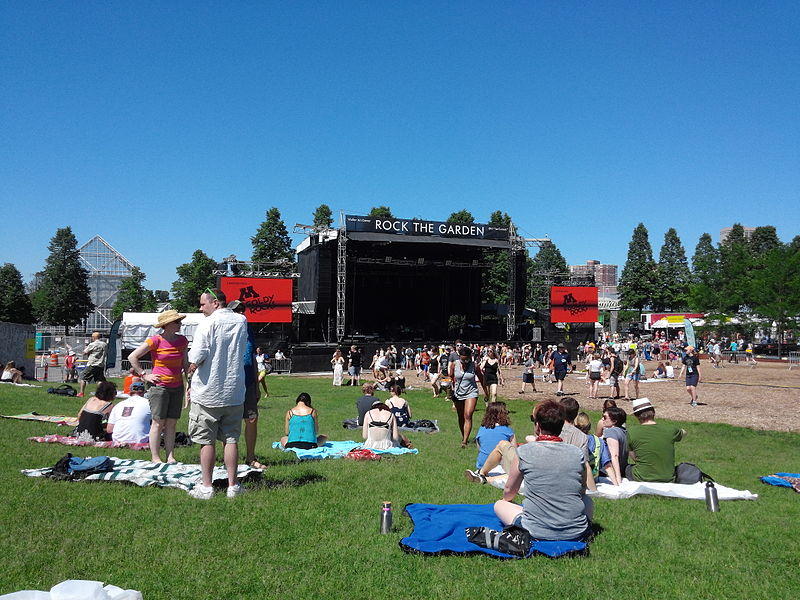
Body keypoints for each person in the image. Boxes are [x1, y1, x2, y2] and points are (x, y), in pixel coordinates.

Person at [492, 400, 592, 541]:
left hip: (536, 529)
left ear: (538, 425)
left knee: (500, 505)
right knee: (587, 500)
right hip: (575, 530)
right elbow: (581, 491)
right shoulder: (576, 453)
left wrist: (510, 502)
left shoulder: (524, 452)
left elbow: (509, 491)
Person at [186, 288, 248, 500]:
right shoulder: (241, 321)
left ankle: (206, 487)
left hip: (208, 392)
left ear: (216, 303)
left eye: (203, 304)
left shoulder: (207, 323)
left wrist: (190, 367)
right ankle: (233, 486)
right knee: (231, 439)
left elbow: (198, 354)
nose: (200, 308)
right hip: (233, 390)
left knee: (207, 441)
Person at [129, 309, 189, 464]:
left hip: (177, 386)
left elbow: (185, 364)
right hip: (159, 387)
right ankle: (155, 457)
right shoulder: (155, 340)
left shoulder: (183, 341)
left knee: (172, 422)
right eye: (177, 322)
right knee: (158, 422)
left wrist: (189, 381)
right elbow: (132, 356)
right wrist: (144, 374)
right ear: (167, 324)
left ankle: (170, 456)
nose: (180, 324)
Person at [227, 300, 266, 470]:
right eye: (237, 310)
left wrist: (257, 384)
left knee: (251, 418)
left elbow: (252, 358)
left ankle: (250, 457)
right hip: (231, 382)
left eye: (243, 310)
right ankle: (229, 459)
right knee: (229, 422)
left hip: (249, 381)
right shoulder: (225, 330)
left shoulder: (248, 330)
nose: (241, 313)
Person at [627, 398, 687, 482]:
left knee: (627, 468)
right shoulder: (670, 430)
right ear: (654, 412)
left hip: (642, 477)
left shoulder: (631, 432)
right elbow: (683, 433)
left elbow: (633, 455)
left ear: (636, 416)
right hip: (668, 477)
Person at [465, 402, 515, 480]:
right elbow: (513, 452)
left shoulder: (481, 429)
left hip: (482, 466)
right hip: (501, 467)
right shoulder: (508, 431)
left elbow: (480, 449)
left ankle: (481, 476)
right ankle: (487, 479)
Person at [449, 345, 485, 448]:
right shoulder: (454, 365)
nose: (464, 362)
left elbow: (482, 379)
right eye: (462, 360)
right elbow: (451, 376)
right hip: (459, 393)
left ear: (470, 357)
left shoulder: (474, 366)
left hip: (471, 392)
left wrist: (486, 393)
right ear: (459, 357)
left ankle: (464, 441)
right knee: (460, 416)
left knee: (468, 415)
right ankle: (464, 435)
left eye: (467, 360)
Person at [600, 406, 628, 486]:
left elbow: (614, 456)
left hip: (607, 472)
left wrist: (618, 480)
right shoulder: (624, 431)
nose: (602, 419)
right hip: (622, 468)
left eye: (605, 417)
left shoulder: (611, 432)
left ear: (614, 421)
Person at [78, 332, 107, 397]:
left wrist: (86, 349)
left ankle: (81, 393)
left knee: (83, 377)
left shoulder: (92, 344)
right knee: (100, 379)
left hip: (92, 364)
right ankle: (101, 393)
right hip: (101, 364)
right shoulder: (104, 344)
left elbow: (85, 352)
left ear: (94, 337)